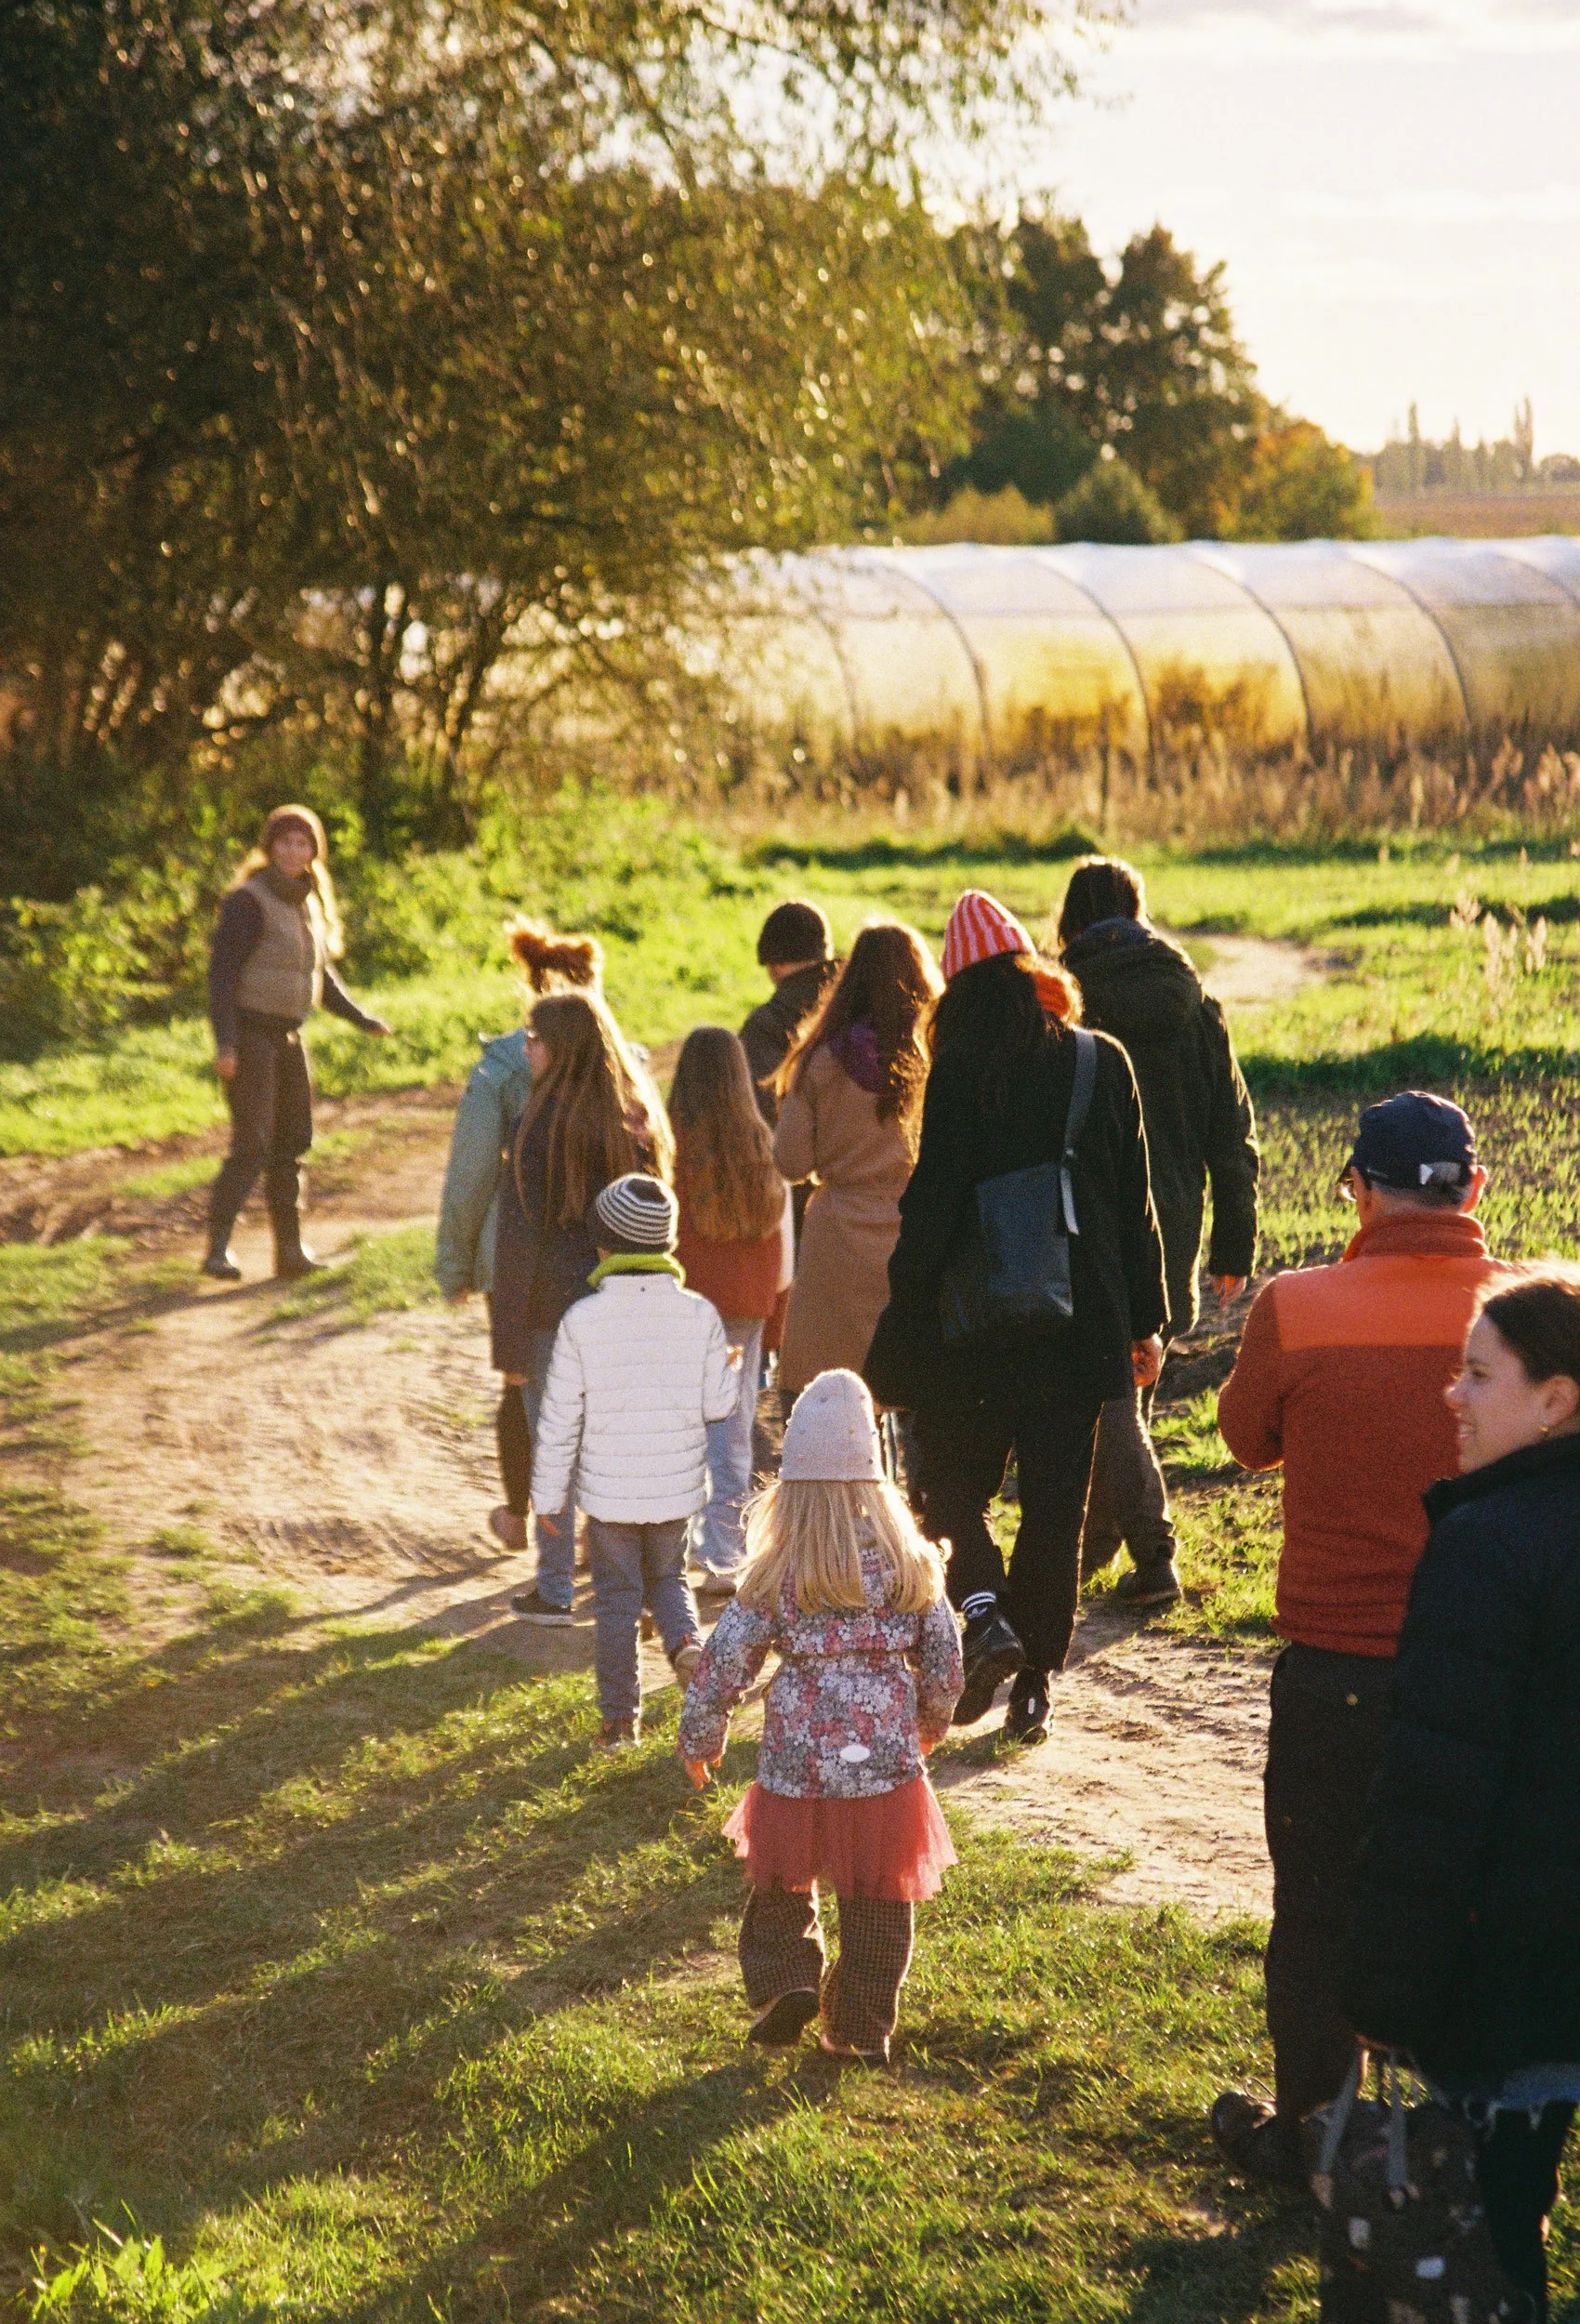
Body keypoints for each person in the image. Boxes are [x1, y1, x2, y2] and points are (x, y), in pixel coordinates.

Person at [1210, 1090, 1500, 2185]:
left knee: (1320, 1907)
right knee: (1480, 1897)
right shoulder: (1536, 1306)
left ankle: (1315, 2135)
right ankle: (1477, 2137)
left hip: (1334, 1666)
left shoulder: (1299, 1305)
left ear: (1356, 1189)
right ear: (1473, 1188)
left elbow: (1243, 1441)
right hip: (1486, 1666)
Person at [864, 890, 1166, 1746]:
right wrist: (1146, 1321)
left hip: (975, 1335)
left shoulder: (960, 1071)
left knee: (948, 1489)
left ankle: (984, 1614)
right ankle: (1034, 1681)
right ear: (1037, 970)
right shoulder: (1100, 1063)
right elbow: (1133, 1207)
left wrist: (895, 1339)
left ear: (956, 995)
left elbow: (930, 1215)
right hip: (1078, 1330)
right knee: (1056, 1506)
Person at [1344, 1267, 1580, 2322]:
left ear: (1554, 1400)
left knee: (1492, 2235)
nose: (1452, 1396)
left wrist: (1384, 1993)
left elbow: (1434, 1797)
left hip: (1509, 1977)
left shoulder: (1485, 1548)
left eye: (1476, 1376)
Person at [678, 1368, 963, 2063]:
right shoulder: (909, 1565)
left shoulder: (777, 1571)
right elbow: (947, 1659)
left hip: (797, 1765)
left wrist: (701, 1735)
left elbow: (725, 1662)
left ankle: (785, 1983)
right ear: (878, 1478)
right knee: (878, 1905)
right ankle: (859, 2032)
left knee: (780, 1885)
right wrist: (932, 1718)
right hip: (884, 1770)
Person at [1059, 854, 1260, 1608]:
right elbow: (1230, 1136)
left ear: (1072, 924)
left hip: (1087, 1222)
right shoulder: (1196, 1003)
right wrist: (1234, 1245)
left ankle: (1136, 1558)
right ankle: (1097, 1557)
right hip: (1172, 1224)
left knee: (1106, 1394)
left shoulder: (1066, 1006)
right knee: (1127, 1391)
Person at [529, 1174, 738, 1749]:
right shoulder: (699, 1316)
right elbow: (719, 1404)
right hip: (675, 1488)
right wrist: (729, 1366)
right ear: (668, 1246)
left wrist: (548, 1502)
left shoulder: (582, 1321)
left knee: (618, 1598)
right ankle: (686, 1647)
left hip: (610, 1493)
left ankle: (620, 1722)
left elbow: (558, 1421)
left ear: (603, 1247)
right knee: (669, 1578)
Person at [494, 989, 674, 1625]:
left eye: (534, 1037)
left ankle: (554, 1589)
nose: (526, 1048)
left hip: (552, 1312)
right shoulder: (632, 1119)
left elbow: (518, 1245)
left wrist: (507, 1345)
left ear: (561, 1047)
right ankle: (645, 1590)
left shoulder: (538, 1124)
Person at [434, 922, 603, 1552]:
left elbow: (472, 1171)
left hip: (516, 1250)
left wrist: (454, 1263)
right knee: (591, 1389)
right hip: (597, 1251)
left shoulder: (502, 1063)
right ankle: (593, 1529)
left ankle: (516, 1515)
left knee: (521, 1378)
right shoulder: (620, 1059)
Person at [203, 803, 390, 1281]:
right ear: (269, 847)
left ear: (314, 851)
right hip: (249, 1036)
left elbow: (320, 976)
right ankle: (217, 1250)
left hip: (288, 1037)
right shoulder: (248, 901)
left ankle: (290, 1253)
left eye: (302, 842)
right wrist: (226, 1045)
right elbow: (220, 977)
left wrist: (362, 1018)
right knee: (252, 1145)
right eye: (284, 841)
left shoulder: (306, 900)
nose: (293, 850)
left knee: (293, 1143)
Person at [772, 922, 941, 1400]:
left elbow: (790, 1161)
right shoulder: (936, 1058)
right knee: (916, 1400)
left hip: (837, 1243)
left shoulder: (820, 1061)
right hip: (916, 1234)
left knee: (826, 1399)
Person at [668, 1027, 791, 1595]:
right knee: (733, 1428)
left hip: (682, 1305)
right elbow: (785, 1250)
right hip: (745, 1307)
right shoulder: (765, 1147)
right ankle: (726, 1551)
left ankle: (673, 1550)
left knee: (675, 1427)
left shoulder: (674, 1149)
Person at [740, 899, 838, 1127]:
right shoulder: (861, 1000)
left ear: (773, 965)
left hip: (796, 1154)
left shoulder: (764, 1026)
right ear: (825, 951)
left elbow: (763, 1113)